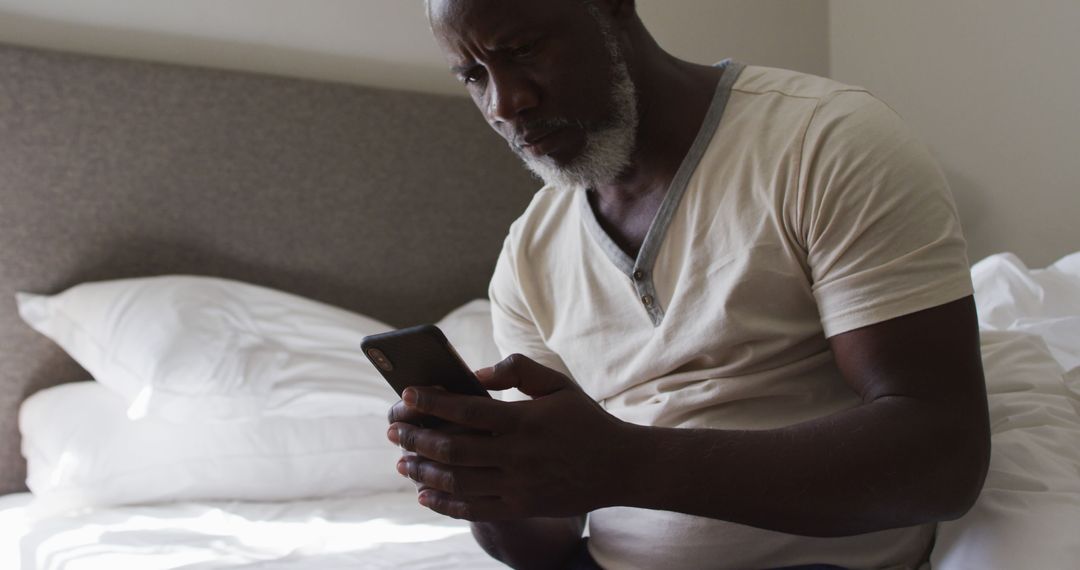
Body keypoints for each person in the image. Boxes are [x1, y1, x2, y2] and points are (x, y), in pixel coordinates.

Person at [387, 0, 991, 568]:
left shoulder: (824, 141)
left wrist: (626, 465)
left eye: (522, 48)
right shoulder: (529, 252)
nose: (504, 102)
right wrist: (482, 483)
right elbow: (545, 542)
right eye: (472, 74)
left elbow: (941, 456)